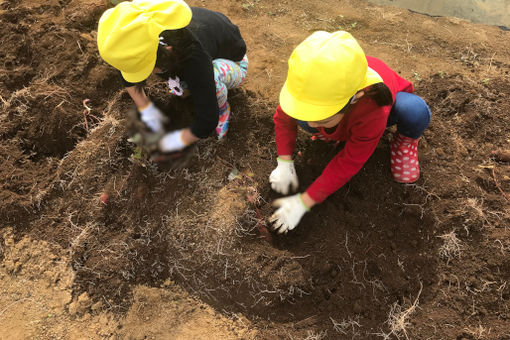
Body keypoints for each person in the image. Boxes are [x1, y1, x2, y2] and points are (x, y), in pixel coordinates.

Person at [269, 31, 431, 234]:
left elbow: (349, 162)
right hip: (345, 115)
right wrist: (284, 162)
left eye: (321, 118)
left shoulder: (373, 110)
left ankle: (404, 143)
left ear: (355, 97)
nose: (310, 122)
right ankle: (333, 130)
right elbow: (284, 117)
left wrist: (304, 202)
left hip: (384, 112)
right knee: (305, 118)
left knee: (415, 112)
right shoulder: (307, 85)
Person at [97, 0, 248, 154]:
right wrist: (146, 109)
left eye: (146, 68)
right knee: (185, 85)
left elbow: (207, 121)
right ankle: (190, 88)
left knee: (211, 81)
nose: (144, 74)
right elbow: (127, 73)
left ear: (163, 54)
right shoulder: (138, 42)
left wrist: (174, 141)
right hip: (195, 53)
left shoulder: (193, 57)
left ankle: (223, 109)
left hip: (233, 62)